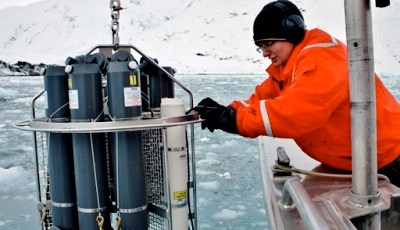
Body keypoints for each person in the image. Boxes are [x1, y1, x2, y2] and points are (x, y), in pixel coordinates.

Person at [194, 0, 400, 186]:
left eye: (268, 43)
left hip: (388, 160)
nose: (265, 52)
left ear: (292, 32)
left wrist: (232, 119)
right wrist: (226, 110)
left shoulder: (322, 58)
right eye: (260, 46)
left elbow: (296, 113)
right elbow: (262, 98)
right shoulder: (290, 68)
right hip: (357, 163)